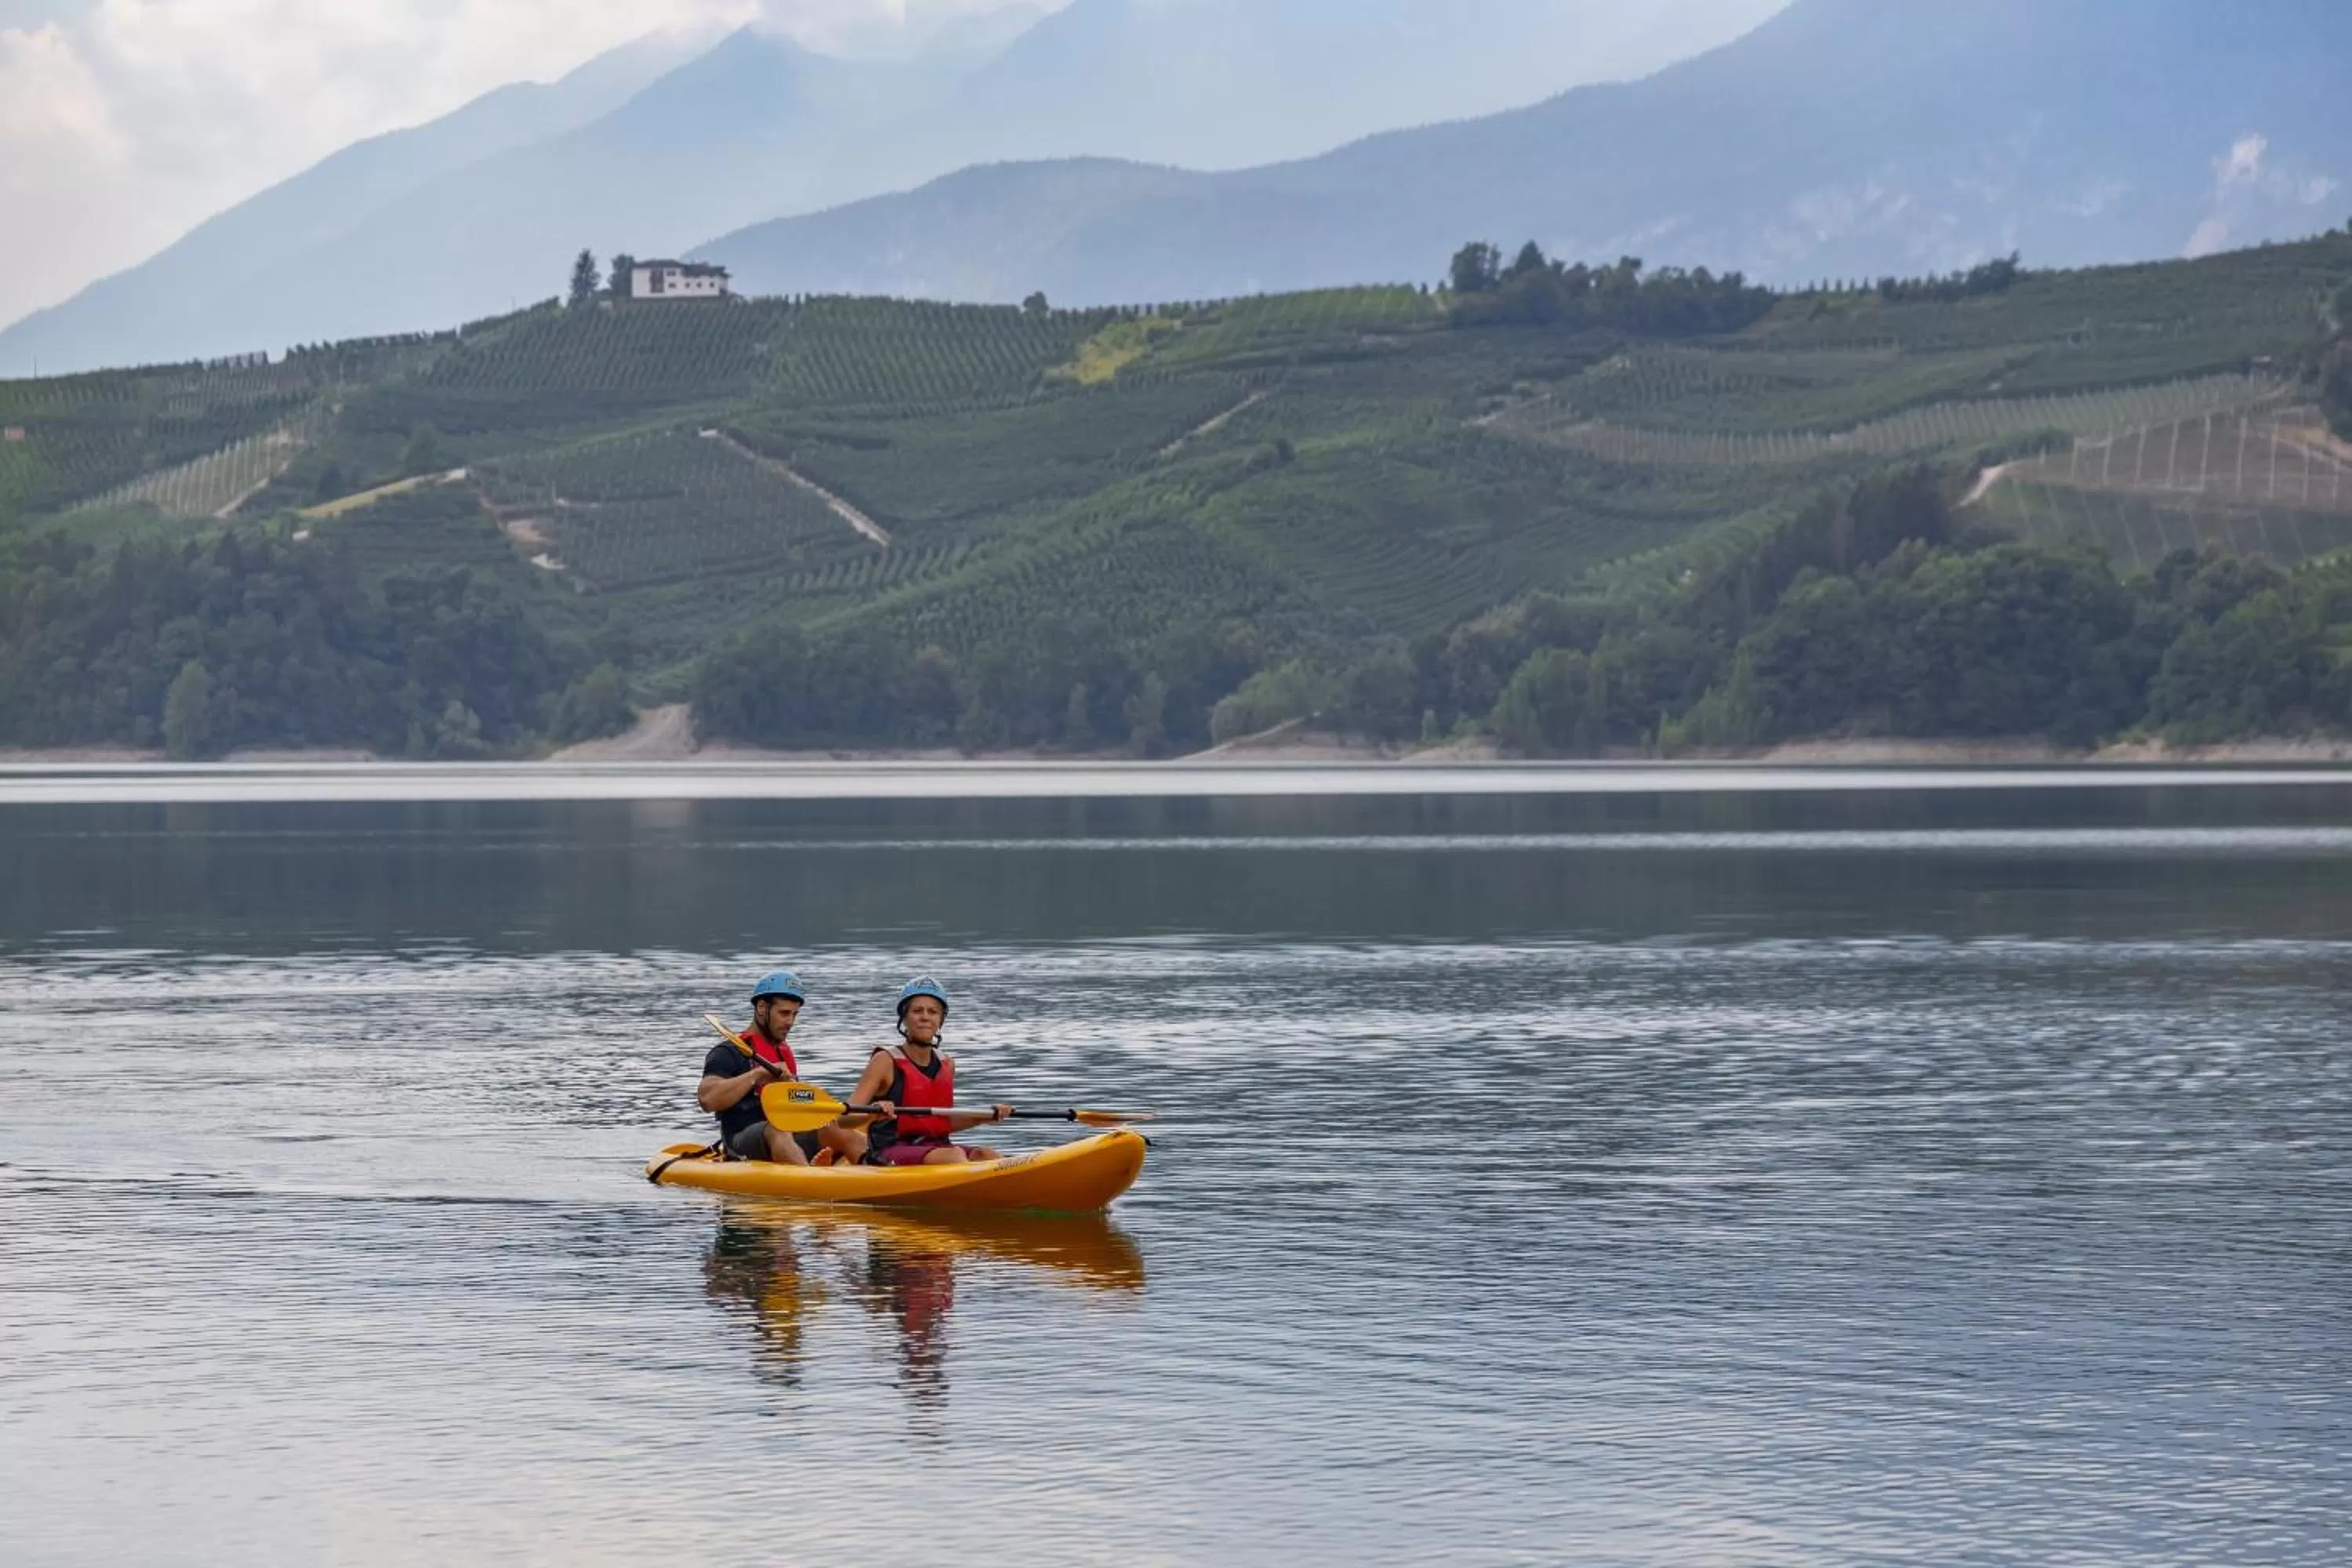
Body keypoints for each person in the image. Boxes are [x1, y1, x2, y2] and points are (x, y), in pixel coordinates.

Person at [698, 970, 869, 1167]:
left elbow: (799, 1108)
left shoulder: (782, 1053)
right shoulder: (728, 1052)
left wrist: (870, 1112)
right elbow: (707, 1100)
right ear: (762, 1008)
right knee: (777, 1129)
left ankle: (878, 1172)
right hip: (741, 1141)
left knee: (835, 1129)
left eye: (794, 1014)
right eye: (784, 1013)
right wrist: (758, 1075)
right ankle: (811, 1182)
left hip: (788, 1136)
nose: (790, 1022)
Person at [848, 977, 1011, 1166]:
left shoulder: (947, 1064)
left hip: (938, 1148)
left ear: (940, 1020)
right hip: (890, 1150)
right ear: (904, 1018)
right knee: (953, 1156)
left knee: (988, 1155)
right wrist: (873, 1112)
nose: (925, 1017)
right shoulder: (885, 1061)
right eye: (917, 1011)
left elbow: (942, 1123)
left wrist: (986, 1116)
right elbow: (844, 1119)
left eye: (933, 1012)